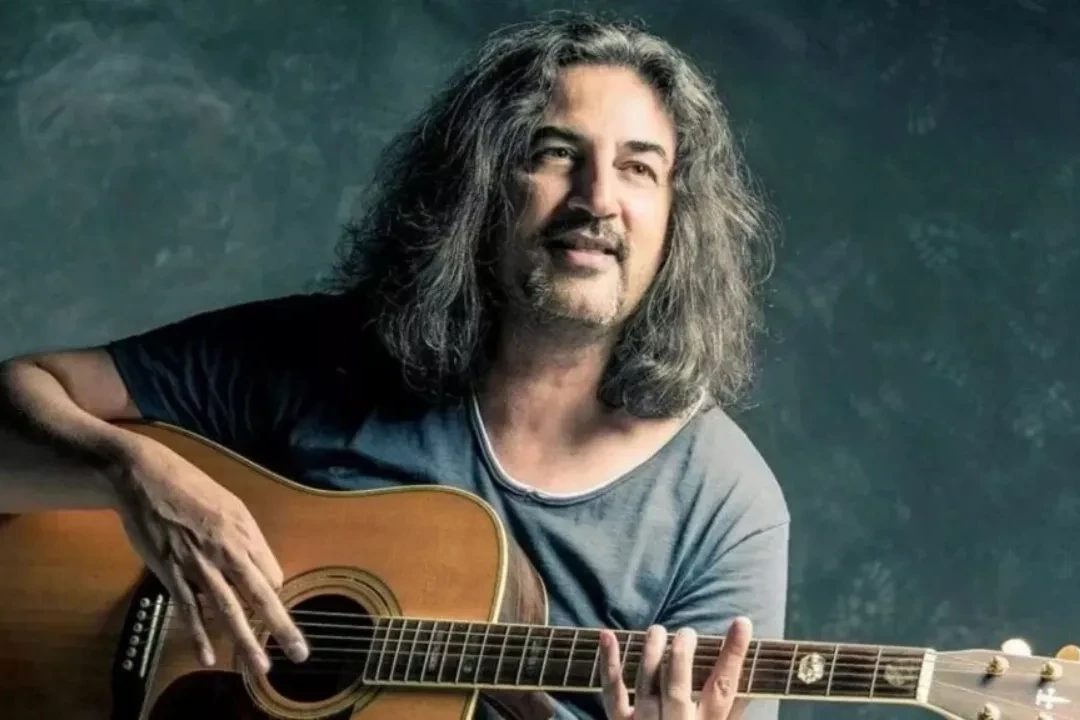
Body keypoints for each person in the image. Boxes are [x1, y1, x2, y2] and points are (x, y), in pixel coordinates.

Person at [0, 13, 788, 720]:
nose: (597, 198)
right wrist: (128, 471)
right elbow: (22, 403)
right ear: (481, 183)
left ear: (678, 219)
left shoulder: (722, 505)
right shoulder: (328, 354)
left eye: (639, 168)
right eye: (556, 153)